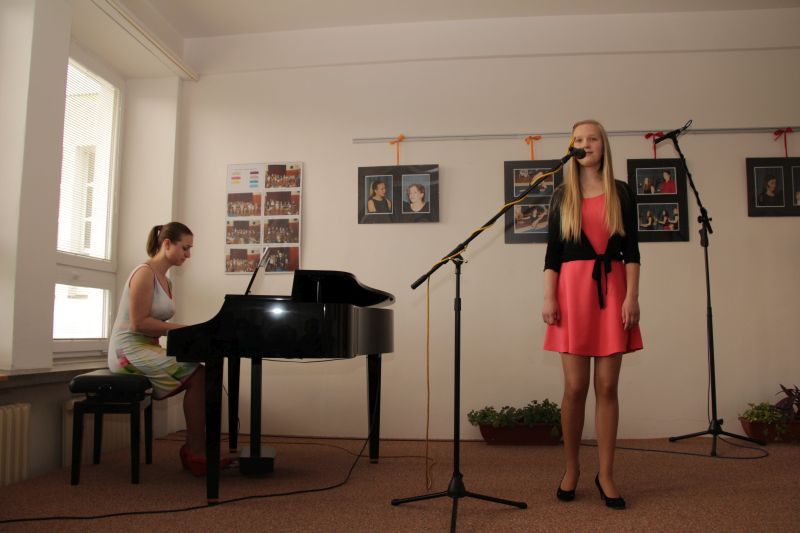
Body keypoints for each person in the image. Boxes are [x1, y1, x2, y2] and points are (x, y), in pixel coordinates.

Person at [542, 120, 642, 510]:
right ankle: (571, 469)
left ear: (603, 146)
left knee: (607, 386)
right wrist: (549, 298)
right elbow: (552, 255)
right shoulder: (561, 195)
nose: (586, 144)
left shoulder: (622, 192)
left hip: (612, 291)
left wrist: (631, 297)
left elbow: (632, 251)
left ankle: (607, 474)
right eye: (579, 139)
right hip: (571, 293)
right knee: (575, 388)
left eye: (593, 138)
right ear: (573, 147)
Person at [108, 222, 231, 476]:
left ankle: (196, 448)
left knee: (204, 373)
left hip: (147, 347)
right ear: (166, 244)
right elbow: (139, 323)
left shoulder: (166, 281)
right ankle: (195, 451)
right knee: (199, 375)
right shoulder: (144, 273)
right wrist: (188, 330)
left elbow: (157, 327)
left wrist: (188, 334)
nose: (188, 254)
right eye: (185, 248)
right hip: (127, 352)